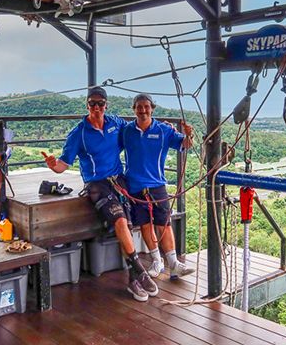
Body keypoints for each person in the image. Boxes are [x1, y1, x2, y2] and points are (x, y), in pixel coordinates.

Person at [42, 86, 157, 302]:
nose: (96, 107)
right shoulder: (79, 133)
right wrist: (52, 164)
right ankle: (140, 270)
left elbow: (135, 129)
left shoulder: (116, 123)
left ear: (106, 105)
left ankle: (133, 280)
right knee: (121, 222)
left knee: (128, 227)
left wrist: (160, 127)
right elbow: (62, 166)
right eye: (92, 103)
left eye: (100, 103)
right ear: (87, 105)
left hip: (119, 180)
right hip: (97, 184)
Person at [122, 93, 195, 280]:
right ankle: (157, 261)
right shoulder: (126, 131)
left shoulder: (164, 130)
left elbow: (184, 145)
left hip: (157, 184)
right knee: (145, 224)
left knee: (164, 223)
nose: (143, 110)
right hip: (135, 185)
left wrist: (189, 134)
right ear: (134, 109)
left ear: (152, 109)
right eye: (139, 106)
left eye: (146, 106)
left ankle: (173, 263)